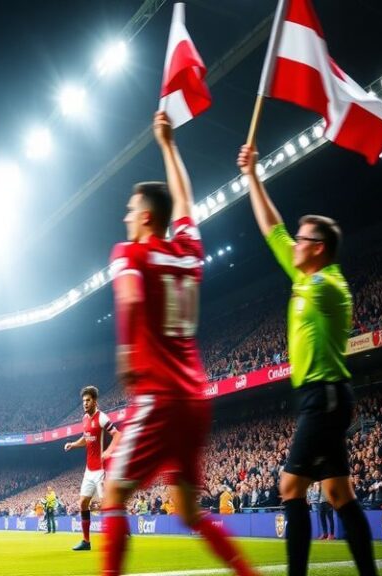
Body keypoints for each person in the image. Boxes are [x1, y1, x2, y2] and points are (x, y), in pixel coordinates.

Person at [101, 111, 257, 576]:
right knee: (188, 511)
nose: (126, 217)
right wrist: (169, 146)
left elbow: (128, 298)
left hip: (160, 395)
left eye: (131, 210)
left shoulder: (131, 254)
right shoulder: (188, 252)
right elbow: (186, 202)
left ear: (146, 216)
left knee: (113, 494)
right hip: (195, 397)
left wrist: (126, 350)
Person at [238, 143, 377, 576]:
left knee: (290, 487)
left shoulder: (330, 288)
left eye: (302, 239)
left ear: (318, 249)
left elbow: (288, 243)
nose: (294, 243)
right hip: (319, 397)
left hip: (325, 396)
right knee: (338, 493)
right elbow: (273, 229)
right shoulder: (306, 274)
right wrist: (253, 178)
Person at [64, 385, 121, 550]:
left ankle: (118, 534)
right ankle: (86, 542)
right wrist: (73, 444)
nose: (85, 403)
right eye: (83, 401)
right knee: (83, 503)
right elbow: (86, 438)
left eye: (88, 400)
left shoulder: (102, 418)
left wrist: (109, 451)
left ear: (95, 401)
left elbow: (117, 434)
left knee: (105, 505)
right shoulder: (84, 419)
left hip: (101, 469)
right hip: (89, 470)